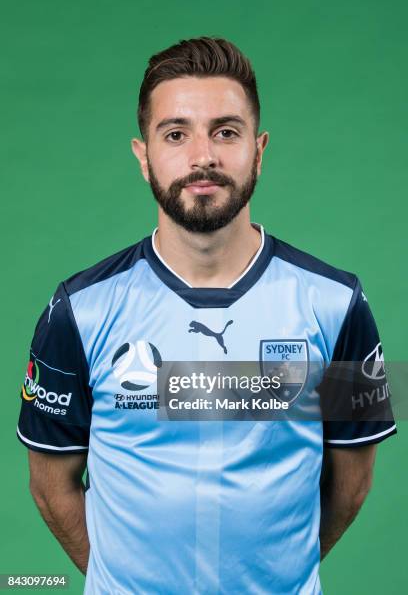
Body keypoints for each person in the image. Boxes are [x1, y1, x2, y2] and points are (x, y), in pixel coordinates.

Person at [17, 37, 396, 594]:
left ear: (259, 150)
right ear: (143, 156)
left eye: (226, 131)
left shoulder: (338, 304)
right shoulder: (78, 310)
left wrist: (279, 578)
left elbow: (354, 483)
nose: (203, 156)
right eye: (176, 134)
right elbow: (51, 485)